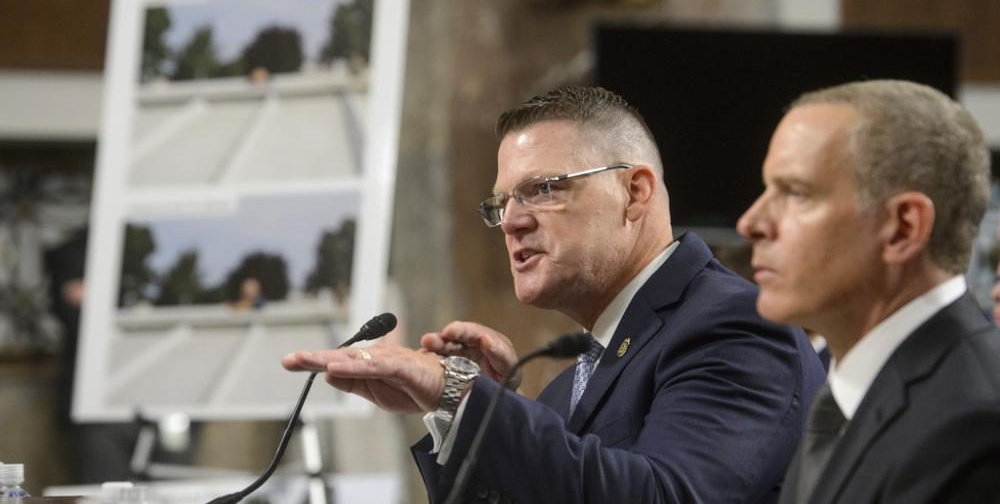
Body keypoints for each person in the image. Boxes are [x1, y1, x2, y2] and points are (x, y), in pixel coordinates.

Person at [283, 86, 824, 503]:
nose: (512, 222)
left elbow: (665, 496)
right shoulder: (567, 389)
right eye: (501, 203)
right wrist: (475, 415)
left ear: (634, 193)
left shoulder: (735, 327)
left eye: (543, 189)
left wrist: (467, 400)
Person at [737, 79, 1000, 504]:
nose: (750, 222)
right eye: (767, 189)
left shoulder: (975, 426)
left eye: (796, 194)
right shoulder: (850, 387)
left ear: (902, 228)